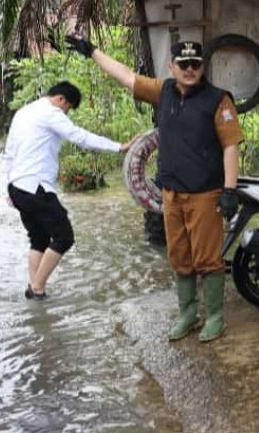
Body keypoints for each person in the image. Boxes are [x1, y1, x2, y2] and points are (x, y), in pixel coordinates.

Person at [65, 33, 243, 342]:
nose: (189, 69)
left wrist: (229, 190)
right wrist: (91, 51)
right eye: (183, 64)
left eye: (195, 64)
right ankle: (188, 314)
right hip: (171, 194)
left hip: (205, 193)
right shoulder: (165, 91)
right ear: (171, 66)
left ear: (202, 67)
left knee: (208, 258)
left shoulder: (218, 99)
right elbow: (127, 77)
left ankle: (214, 316)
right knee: (179, 255)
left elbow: (230, 146)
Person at [4, 81, 137, 300]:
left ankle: (36, 291)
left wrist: (9, 186)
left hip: (17, 186)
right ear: (61, 100)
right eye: (68, 109)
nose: (67, 114)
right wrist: (118, 147)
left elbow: (9, 152)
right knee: (64, 237)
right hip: (35, 186)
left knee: (38, 239)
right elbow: (79, 136)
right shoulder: (51, 113)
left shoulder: (24, 112)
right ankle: (36, 288)